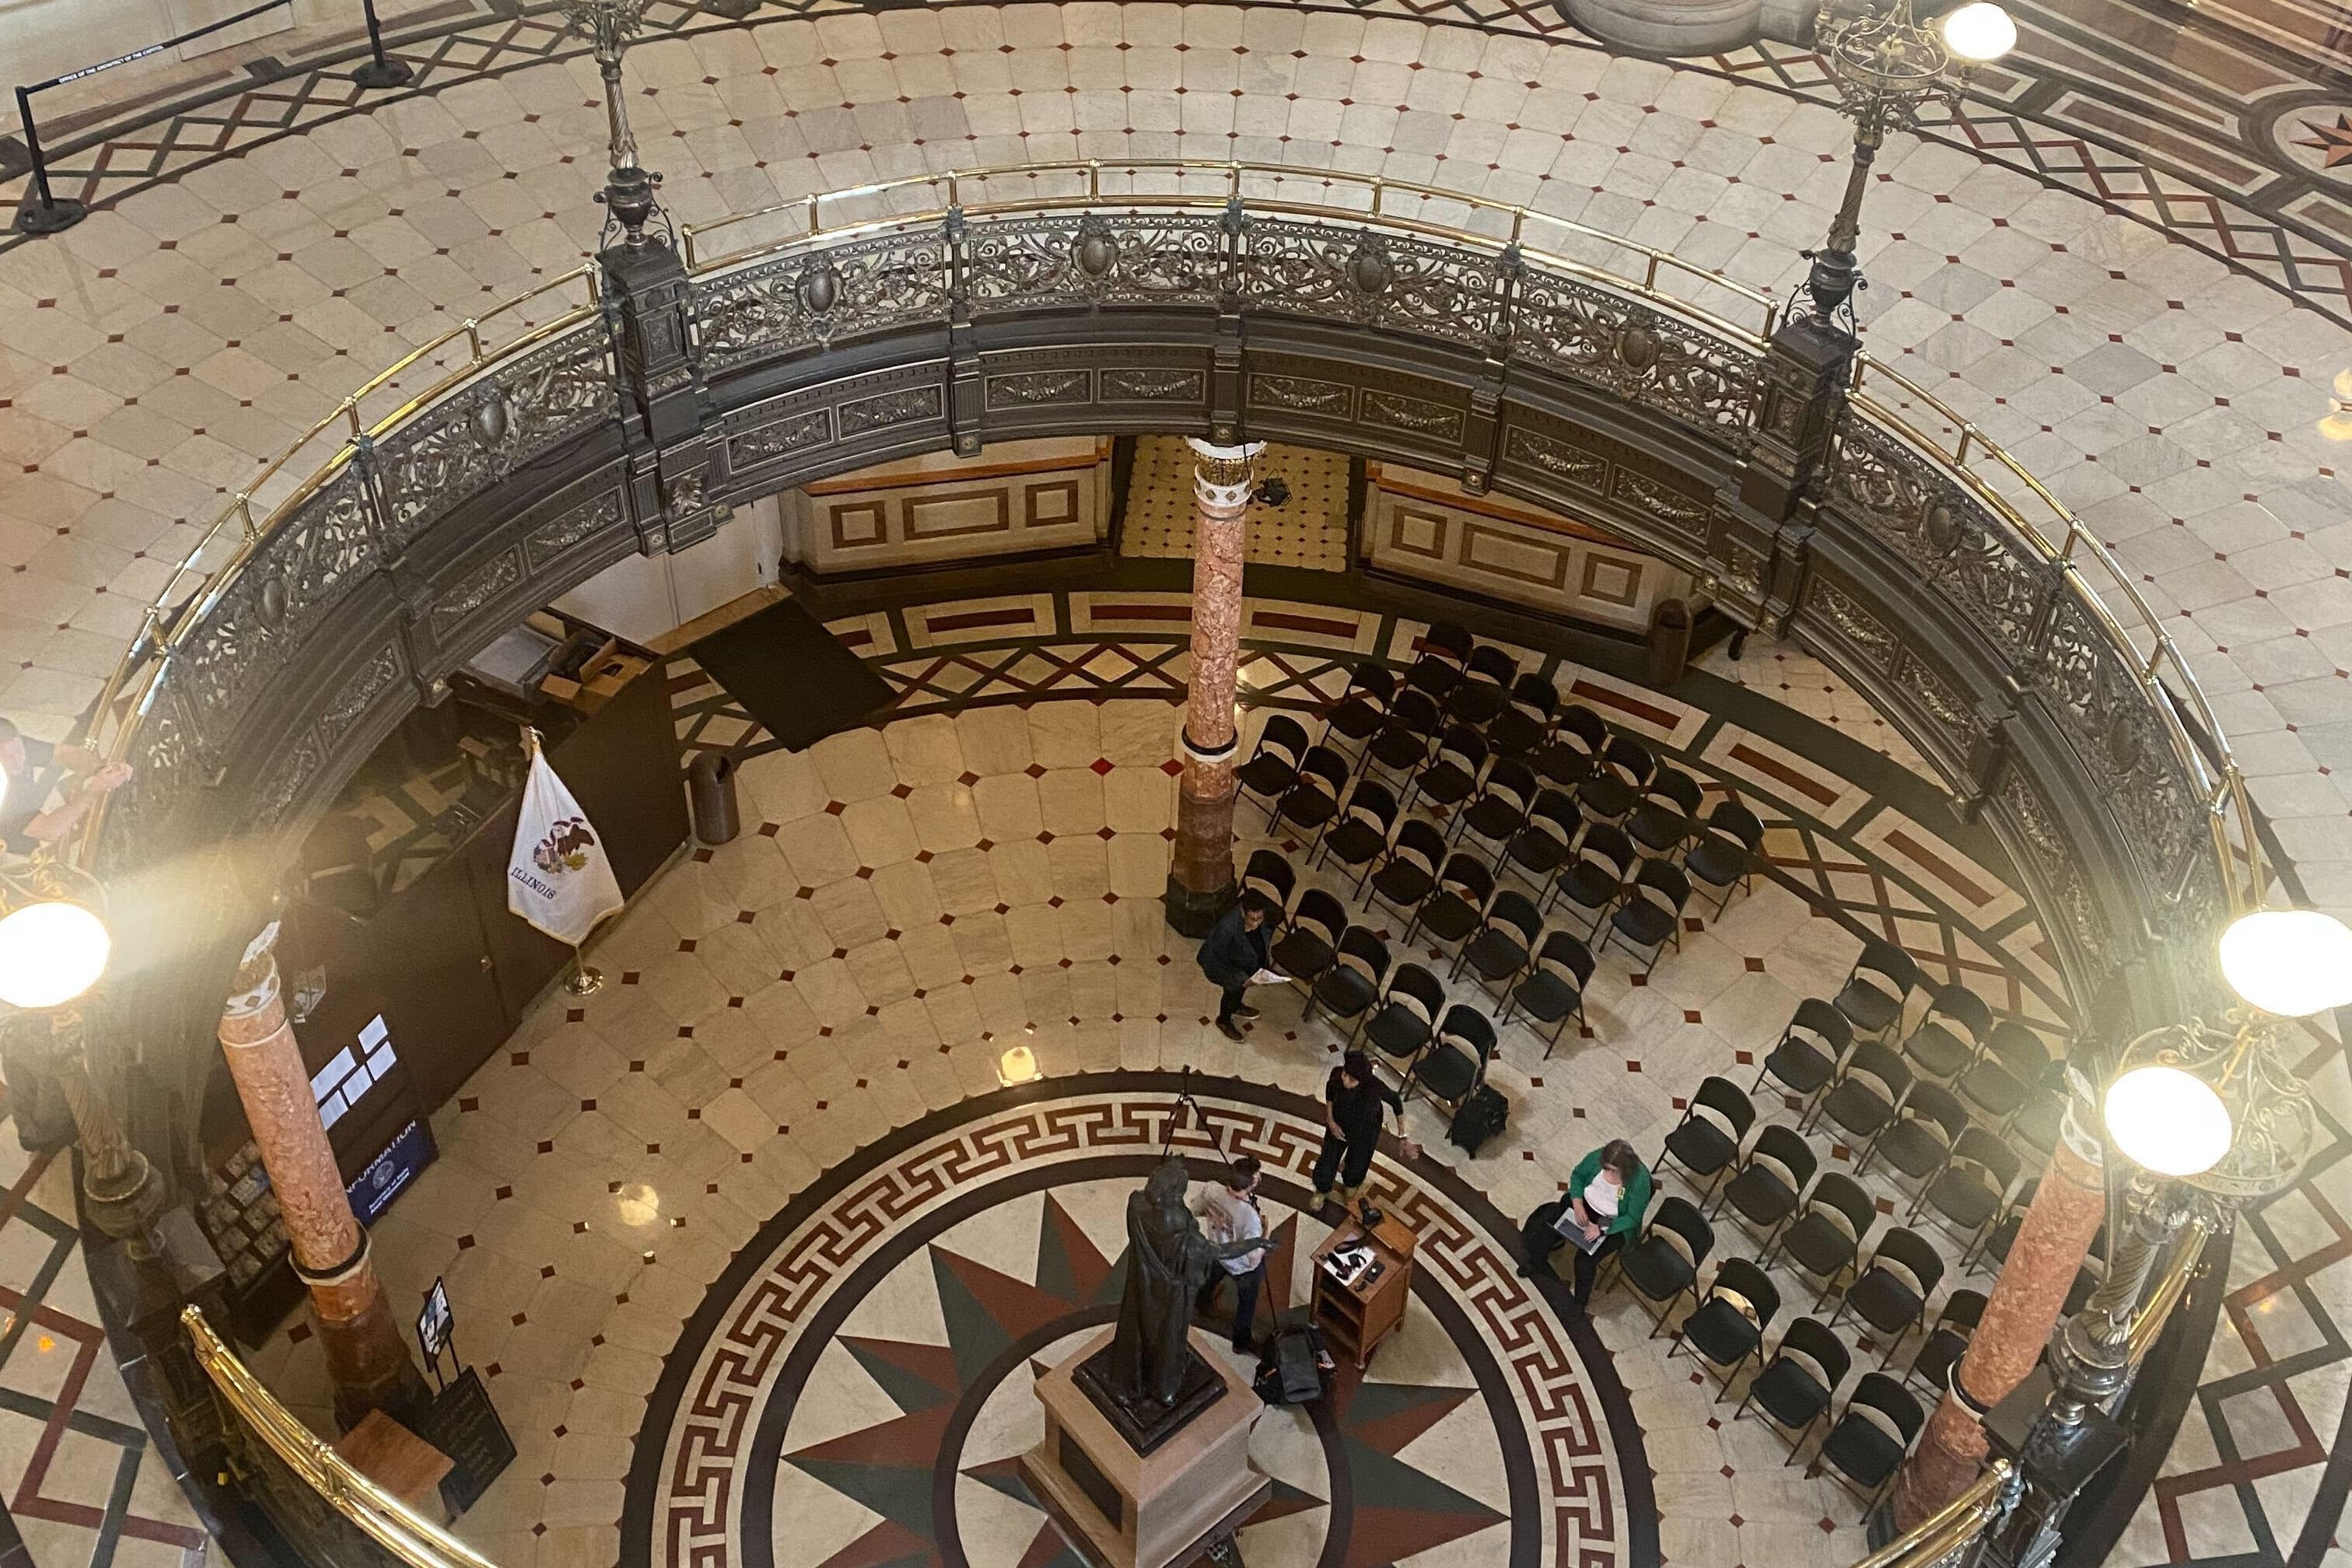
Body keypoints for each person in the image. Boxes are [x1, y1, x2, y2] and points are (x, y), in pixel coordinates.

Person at [1518, 1139, 1651, 1309]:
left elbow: (1632, 1217)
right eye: (1606, 1169)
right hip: (1585, 1205)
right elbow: (1578, 1176)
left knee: (1585, 1260)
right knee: (1548, 1224)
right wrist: (1577, 1203)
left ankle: (1580, 1302)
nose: (1609, 1174)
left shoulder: (1640, 1182)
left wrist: (1602, 1228)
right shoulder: (1597, 1158)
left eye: (1614, 1171)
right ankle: (1536, 1262)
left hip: (1614, 1222)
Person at [0, 719, 131, 856]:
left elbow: (63, 754)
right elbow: (49, 830)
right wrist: (95, 788)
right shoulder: (7, 795)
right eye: (6, 757)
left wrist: (102, 768)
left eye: (19, 751)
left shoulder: (10, 743)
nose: (17, 760)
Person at [1192, 1155, 1270, 1352]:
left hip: (1218, 1251)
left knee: (1212, 1276)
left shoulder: (1211, 1190)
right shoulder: (1250, 1217)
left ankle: (1201, 1301)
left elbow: (1195, 1209)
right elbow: (1253, 1256)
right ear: (1250, 1185)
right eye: (1256, 1176)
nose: (1259, 1177)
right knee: (1246, 1304)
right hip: (1244, 1267)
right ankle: (1241, 1342)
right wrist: (1265, 1235)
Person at [1310, 1050, 1408, 1207]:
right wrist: (1331, 1121)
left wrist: (1402, 1135)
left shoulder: (1375, 1087)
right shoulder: (1337, 1077)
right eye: (1345, 1074)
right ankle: (1321, 1190)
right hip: (1340, 1123)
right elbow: (1330, 1094)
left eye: (1352, 1079)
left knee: (1359, 1160)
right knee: (1329, 1157)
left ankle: (1350, 1184)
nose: (1345, 1081)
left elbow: (1396, 1102)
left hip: (1366, 1128)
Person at [1198, 892, 1276, 1043]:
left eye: (1260, 918)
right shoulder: (1227, 930)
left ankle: (1236, 1006)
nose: (1257, 923)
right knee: (1232, 991)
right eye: (1253, 919)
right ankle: (1224, 1020)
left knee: (1239, 990)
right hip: (1224, 967)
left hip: (1245, 962)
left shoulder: (1258, 921)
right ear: (1243, 913)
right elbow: (1220, 960)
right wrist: (1242, 979)